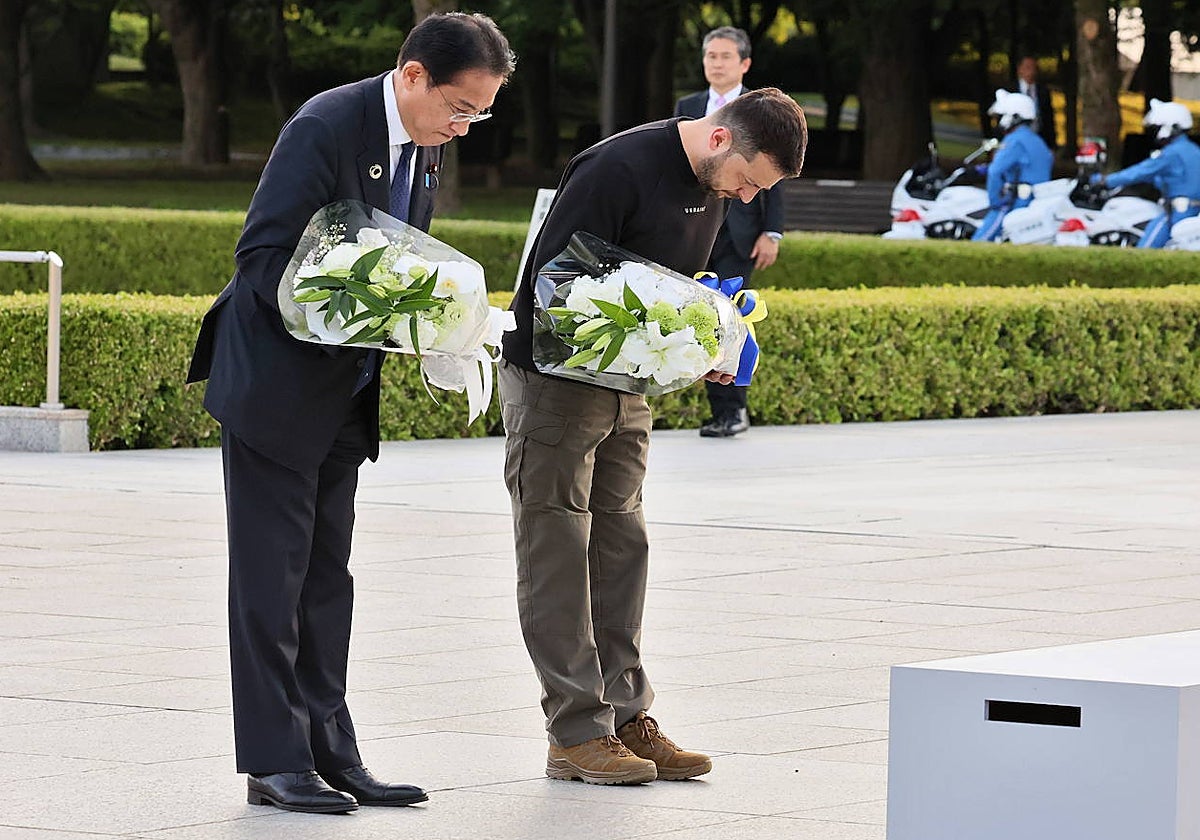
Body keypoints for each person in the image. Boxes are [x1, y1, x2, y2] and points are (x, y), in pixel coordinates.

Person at [185, 13, 514, 815]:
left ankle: (333, 747)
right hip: (274, 383)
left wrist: (437, 324)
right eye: (461, 108)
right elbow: (263, 259)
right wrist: (349, 312)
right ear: (412, 76)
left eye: (481, 114)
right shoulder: (326, 125)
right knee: (272, 578)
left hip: (345, 393)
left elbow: (404, 262)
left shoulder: (426, 148)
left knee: (328, 578)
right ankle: (273, 760)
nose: (465, 127)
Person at [499, 89, 807, 785]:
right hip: (556, 380)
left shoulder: (715, 184)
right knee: (556, 547)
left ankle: (627, 715)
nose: (748, 197)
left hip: (627, 386)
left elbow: (666, 283)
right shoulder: (616, 167)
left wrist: (705, 334)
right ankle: (574, 731)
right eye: (751, 182)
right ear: (724, 141)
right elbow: (556, 286)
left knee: (622, 544)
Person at [675, 26, 786, 438]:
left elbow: (775, 175)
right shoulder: (688, 106)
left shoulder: (761, 109)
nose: (716, 63)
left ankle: (733, 410)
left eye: (725, 56)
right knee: (697, 316)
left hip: (740, 232)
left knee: (733, 317)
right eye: (710, 56)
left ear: (744, 63)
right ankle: (709, 406)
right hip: (697, 224)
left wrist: (772, 232)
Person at [1090, 98, 1200, 248]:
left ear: (1168, 127)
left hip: (1178, 212)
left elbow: (1140, 171)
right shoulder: (1192, 150)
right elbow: (1177, 178)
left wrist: (1105, 180)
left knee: (1146, 247)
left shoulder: (1171, 153)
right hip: (1192, 211)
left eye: (1157, 128)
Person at [971, 89, 1053, 242]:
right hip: (1037, 202)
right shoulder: (1037, 141)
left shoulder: (1015, 140)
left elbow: (995, 171)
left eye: (1001, 116)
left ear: (1012, 117)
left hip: (1017, 202)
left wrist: (995, 202)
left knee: (979, 242)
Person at [1017, 56, 1057, 153]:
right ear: (1019, 69)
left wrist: (1052, 145)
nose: (1030, 71)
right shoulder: (1010, 90)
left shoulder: (1043, 91)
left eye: (1033, 68)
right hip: (1017, 141)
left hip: (1038, 139)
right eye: (1027, 67)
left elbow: (1048, 119)